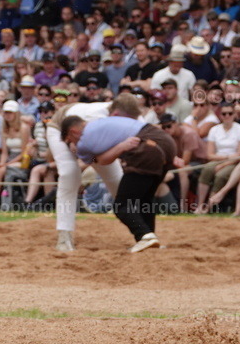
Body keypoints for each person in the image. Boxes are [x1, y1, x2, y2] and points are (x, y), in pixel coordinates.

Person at [63, 112, 178, 252]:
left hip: (147, 148)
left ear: (73, 132)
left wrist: (121, 147)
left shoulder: (84, 141)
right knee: (144, 201)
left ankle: (145, 236)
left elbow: (102, 161)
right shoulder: (100, 124)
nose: (72, 145)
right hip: (166, 142)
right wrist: (122, 146)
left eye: (70, 141)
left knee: (121, 206)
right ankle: (149, 239)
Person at [46, 94, 141, 251]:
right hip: (60, 130)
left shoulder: (131, 115)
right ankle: (64, 236)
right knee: (70, 173)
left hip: (96, 143)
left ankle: (143, 233)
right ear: (116, 115)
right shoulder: (92, 118)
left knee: (118, 182)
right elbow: (75, 145)